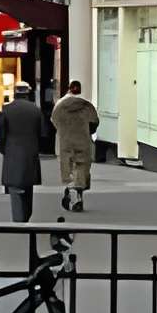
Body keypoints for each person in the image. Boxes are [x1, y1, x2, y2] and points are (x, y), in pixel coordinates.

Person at [0, 80, 45, 224]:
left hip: (12, 151)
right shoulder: (35, 110)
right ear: (28, 93)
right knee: (28, 186)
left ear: (15, 93)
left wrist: (3, 148)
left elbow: (0, 134)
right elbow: (43, 133)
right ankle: (27, 214)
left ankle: (19, 218)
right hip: (31, 152)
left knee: (15, 186)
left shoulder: (6, 109)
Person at [52, 79, 100, 214]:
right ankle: (78, 196)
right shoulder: (86, 106)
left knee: (69, 170)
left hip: (65, 142)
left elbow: (54, 121)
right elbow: (94, 123)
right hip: (83, 142)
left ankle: (73, 194)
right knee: (82, 170)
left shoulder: (60, 105)